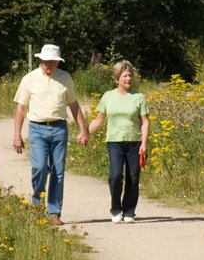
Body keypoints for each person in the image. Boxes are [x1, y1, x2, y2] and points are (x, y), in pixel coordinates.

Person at [13, 44, 88, 226]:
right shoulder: (29, 79)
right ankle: (38, 207)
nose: (49, 65)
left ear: (58, 62)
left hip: (59, 128)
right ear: (41, 60)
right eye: (47, 61)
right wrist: (17, 135)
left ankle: (54, 212)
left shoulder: (65, 78)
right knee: (39, 168)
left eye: (53, 62)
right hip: (37, 128)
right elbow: (21, 108)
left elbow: (73, 105)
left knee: (58, 171)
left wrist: (83, 130)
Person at [88, 60, 150, 223]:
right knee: (115, 176)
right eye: (125, 76)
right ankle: (116, 209)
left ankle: (129, 211)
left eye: (130, 75)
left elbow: (145, 122)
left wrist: (144, 143)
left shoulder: (139, 97)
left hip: (134, 142)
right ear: (117, 79)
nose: (128, 78)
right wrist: (85, 132)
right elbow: (99, 120)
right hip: (114, 142)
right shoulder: (108, 96)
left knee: (133, 178)